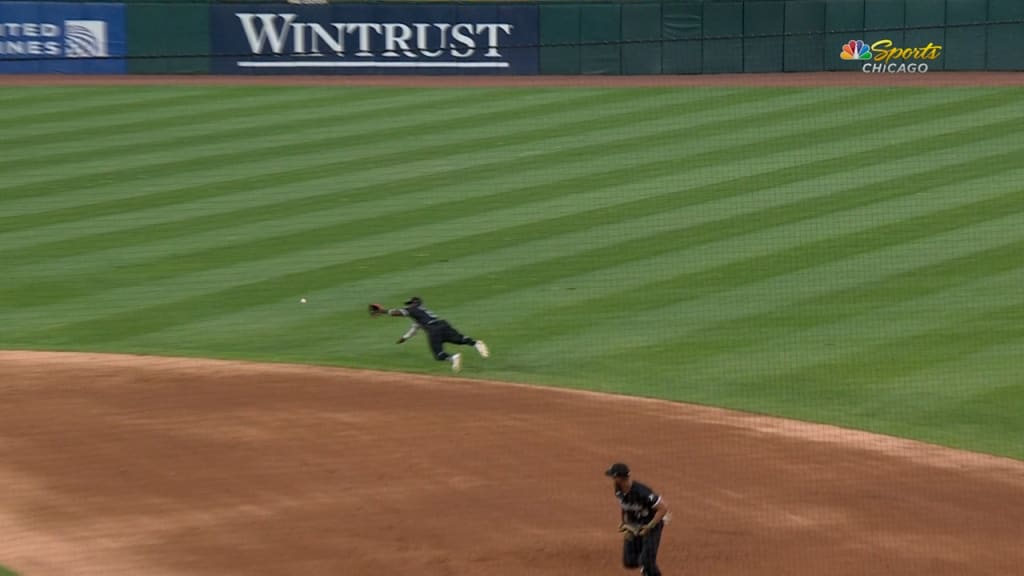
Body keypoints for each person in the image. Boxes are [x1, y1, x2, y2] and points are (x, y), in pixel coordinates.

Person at [385, 296, 488, 372]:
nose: (408, 305)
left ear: (415, 303)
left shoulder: (413, 309)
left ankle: (453, 358)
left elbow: (398, 313)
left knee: (438, 355)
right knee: (460, 340)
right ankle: (476, 343)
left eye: (410, 303)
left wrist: (383, 311)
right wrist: (404, 338)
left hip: (433, 330)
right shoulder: (423, 313)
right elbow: (414, 329)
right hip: (442, 324)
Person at [606, 462, 669, 576]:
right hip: (635, 524)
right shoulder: (618, 490)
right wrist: (625, 524)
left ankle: (647, 566)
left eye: (614, 477)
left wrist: (649, 527)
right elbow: (625, 507)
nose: (612, 479)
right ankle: (645, 565)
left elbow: (663, 508)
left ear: (620, 478)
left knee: (646, 561)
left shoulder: (642, 492)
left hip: (652, 524)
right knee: (629, 561)